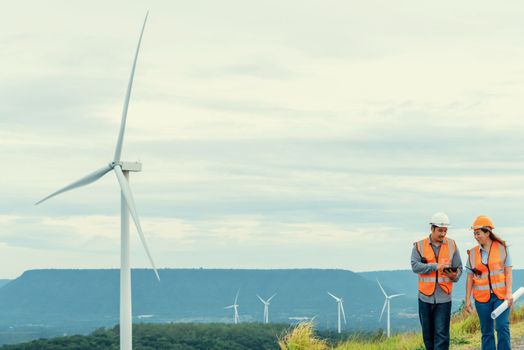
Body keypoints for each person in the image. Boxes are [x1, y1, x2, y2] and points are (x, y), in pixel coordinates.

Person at [411, 212, 463, 350]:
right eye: (440, 230)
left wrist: (454, 276)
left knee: (442, 334)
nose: (443, 234)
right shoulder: (419, 246)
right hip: (425, 297)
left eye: (445, 230)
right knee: (428, 335)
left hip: (444, 297)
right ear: (432, 229)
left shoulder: (452, 245)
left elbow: (459, 269)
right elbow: (415, 266)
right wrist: (436, 266)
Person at [465, 215, 513, 350]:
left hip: (501, 296)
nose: (476, 236)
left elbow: (508, 272)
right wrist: (467, 299)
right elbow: (469, 277)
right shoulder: (472, 253)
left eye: (478, 233)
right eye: (474, 234)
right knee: (487, 332)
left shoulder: (502, 248)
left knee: (502, 327)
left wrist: (509, 293)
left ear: (487, 232)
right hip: (481, 299)